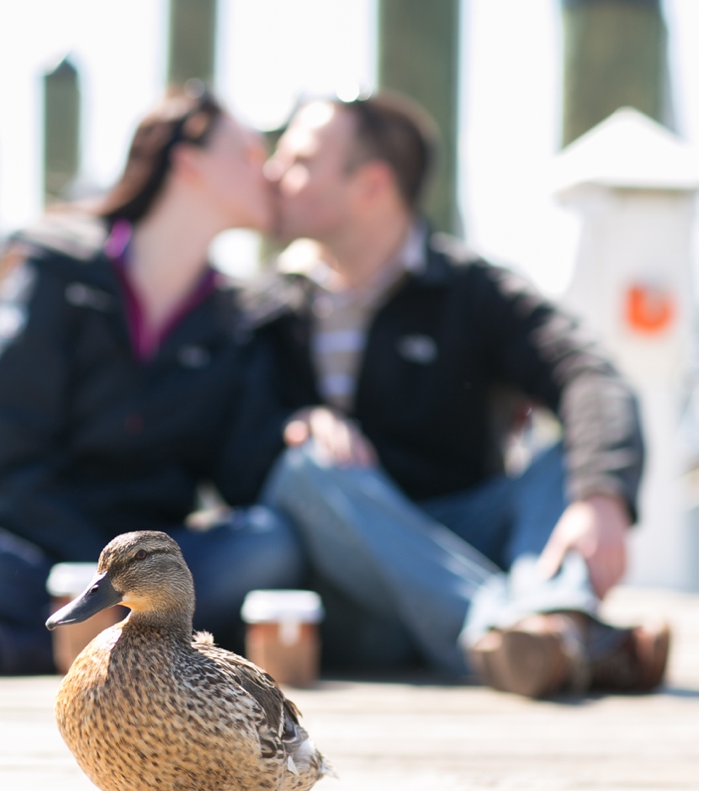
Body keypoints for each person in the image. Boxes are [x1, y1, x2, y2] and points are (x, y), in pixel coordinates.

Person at [254, 92, 669, 697]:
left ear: (371, 185)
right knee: (305, 468)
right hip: (352, 587)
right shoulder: (267, 305)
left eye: (300, 159)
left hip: (464, 534)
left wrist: (602, 494)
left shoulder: (472, 290)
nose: (273, 174)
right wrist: (298, 421)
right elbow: (232, 436)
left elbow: (589, 374)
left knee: (566, 461)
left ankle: (536, 633)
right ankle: (550, 631)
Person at [0, 88, 303, 677]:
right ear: (189, 162)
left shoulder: (237, 317)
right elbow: (4, 459)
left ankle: (11, 645)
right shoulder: (54, 271)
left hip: (156, 560)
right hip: (40, 545)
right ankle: (125, 638)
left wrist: (304, 413)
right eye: (248, 153)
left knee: (269, 547)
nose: (268, 173)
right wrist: (101, 577)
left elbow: (243, 477)